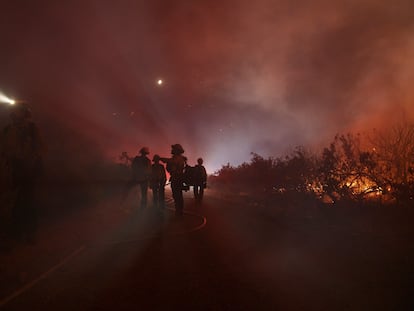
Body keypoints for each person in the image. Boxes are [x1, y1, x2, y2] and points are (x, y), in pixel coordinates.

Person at [1, 103, 45, 244]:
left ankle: (29, 233)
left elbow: (40, 149)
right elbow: (3, 149)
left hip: (28, 170)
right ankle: (15, 233)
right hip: (12, 170)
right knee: (12, 203)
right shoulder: (8, 130)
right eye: (14, 112)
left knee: (28, 202)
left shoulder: (32, 129)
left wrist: (31, 161)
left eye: (17, 111)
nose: (14, 114)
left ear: (25, 113)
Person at [160, 144, 187, 216]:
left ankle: (178, 213)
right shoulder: (182, 159)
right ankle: (179, 212)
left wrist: (162, 159)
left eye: (174, 149)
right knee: (178, 196)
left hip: (176, 179)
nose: (172, 150)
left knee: (177, 196)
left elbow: (171, 163)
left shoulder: (177, 159)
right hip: (179, 179)